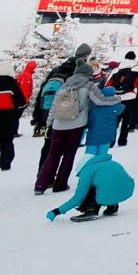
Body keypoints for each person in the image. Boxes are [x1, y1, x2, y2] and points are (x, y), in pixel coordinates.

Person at [34, 60, 94, 195]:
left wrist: (49, 123)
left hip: (58, 125)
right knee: (69, 154)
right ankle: (60, 184)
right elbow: (98, 101)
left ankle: (41, 184)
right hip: (76, 124)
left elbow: (54, 107)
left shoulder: (64, 86)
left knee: (53, 154)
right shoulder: (88, 86)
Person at [45, 149, 135, 223]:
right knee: (105, 184)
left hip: (110, 192)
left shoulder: (87, 171)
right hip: (126, 191)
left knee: (90, 190)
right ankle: (112, 207)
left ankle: (91, 210)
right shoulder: (111, 163)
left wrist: (57, 211)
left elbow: (78, 198)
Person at [105, 60, 138, 147]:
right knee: (125, 122)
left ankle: (111, 142)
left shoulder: (115, 74)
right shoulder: (135, 74)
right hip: (129, 102)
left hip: (116, 101)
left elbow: (107, 85)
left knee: (114, 123)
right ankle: (122, 141)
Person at [84, 85, 125, 159]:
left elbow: (88, 122)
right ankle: (100, 168)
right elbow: (122, 107)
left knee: (89, 157)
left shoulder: (94, 108)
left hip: (93, 136)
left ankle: (88, 168)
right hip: (107, 136)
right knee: (102, 156)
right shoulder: (115, 107)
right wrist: (116, 100)